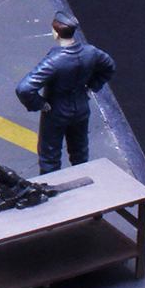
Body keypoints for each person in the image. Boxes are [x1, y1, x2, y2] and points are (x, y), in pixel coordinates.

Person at [15, 13, 116, 174]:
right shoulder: (91, 52)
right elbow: (109, 66)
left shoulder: (54, 61)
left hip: (56, 111)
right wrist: (91, 87)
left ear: (57, 33)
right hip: (81, 107)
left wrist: (40, 104)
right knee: (80, 152)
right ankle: (84, 180)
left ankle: (50, 185)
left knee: (50, 156)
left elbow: (24, 88)